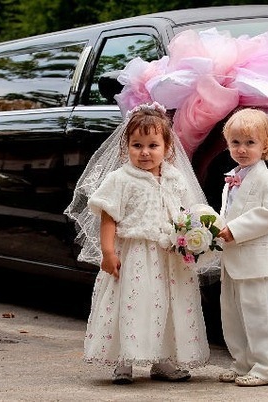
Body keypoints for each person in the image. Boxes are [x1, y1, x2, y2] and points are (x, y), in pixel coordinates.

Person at [64, 102, 210, 385]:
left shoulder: (174, 177)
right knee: (133, 303)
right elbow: (109, 217)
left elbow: (187, 212)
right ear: (126, 147)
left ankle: (163, 359)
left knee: (167, 305)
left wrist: (190, 237)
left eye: (153, 145)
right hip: (134, 255)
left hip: (168, 256)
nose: (145, 152)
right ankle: (125, 360)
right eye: (137, 145)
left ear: (167, 148)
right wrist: (108, 252)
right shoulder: (121, 179)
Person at [216, 108, 268, 387]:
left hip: (256, 261)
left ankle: (266, 367)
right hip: (232, 259)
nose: (242, 149)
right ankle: (242, 362)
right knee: (233, 315)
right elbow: (228, 213)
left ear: (265, 145)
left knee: (259, 315)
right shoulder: (231, 180)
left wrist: (234, 229)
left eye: (250, 143)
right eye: (235, 143)